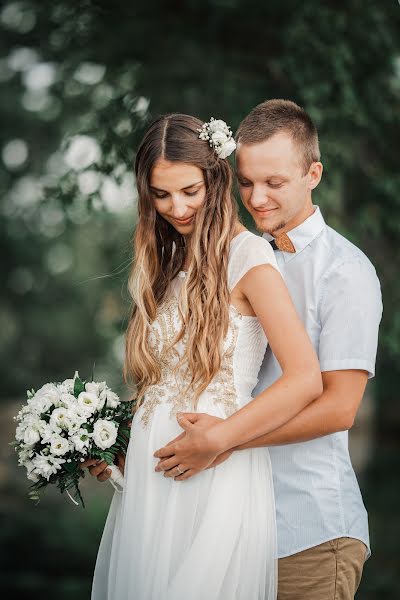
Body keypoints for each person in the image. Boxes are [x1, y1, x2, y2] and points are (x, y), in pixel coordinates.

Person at [150, 100, 383, 600]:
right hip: (230, 523)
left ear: (313, 174)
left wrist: (226, 440)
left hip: (309, 531)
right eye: (247, 182)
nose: (256, 198)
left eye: (274, 183)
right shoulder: (230, 260)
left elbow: (340, 408)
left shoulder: (345, 271)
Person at [86, 112, 322, 600]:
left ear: (216, 179)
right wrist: (117, 448)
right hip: (155, 487)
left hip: (215, 474)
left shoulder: (249, 257)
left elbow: (304, 379)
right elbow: (166, 381)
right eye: (162, 194)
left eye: (190, 190)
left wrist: (219, 441)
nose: (177, 207)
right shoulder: (169, 266)